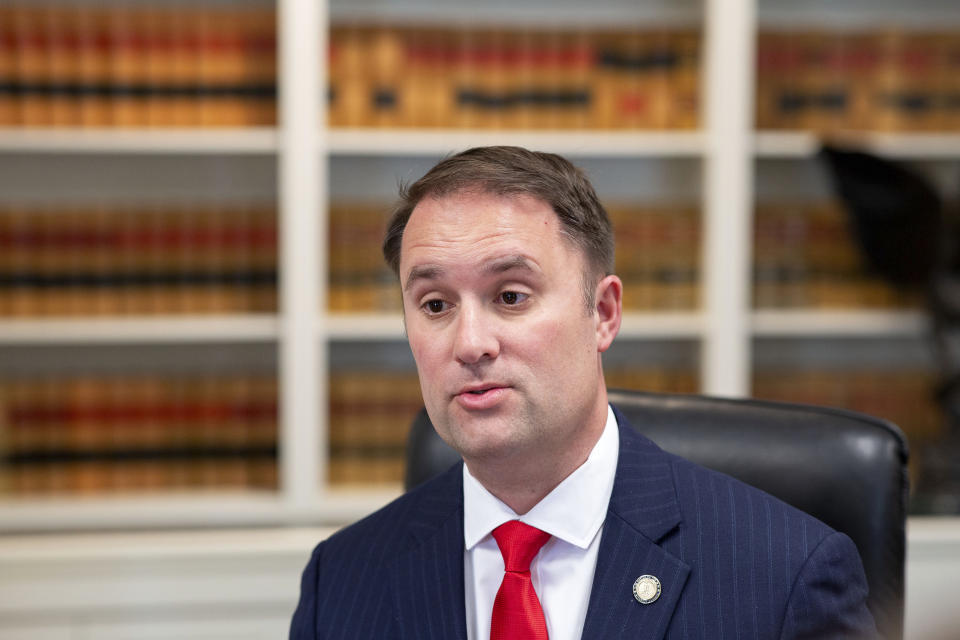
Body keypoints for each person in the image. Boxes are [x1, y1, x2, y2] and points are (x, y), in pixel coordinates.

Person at [290, 146, 877, 639]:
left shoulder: (785, 575)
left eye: (511, 297)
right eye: (435, 305)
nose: (470, 343)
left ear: (602, 313)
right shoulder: (341, 581)